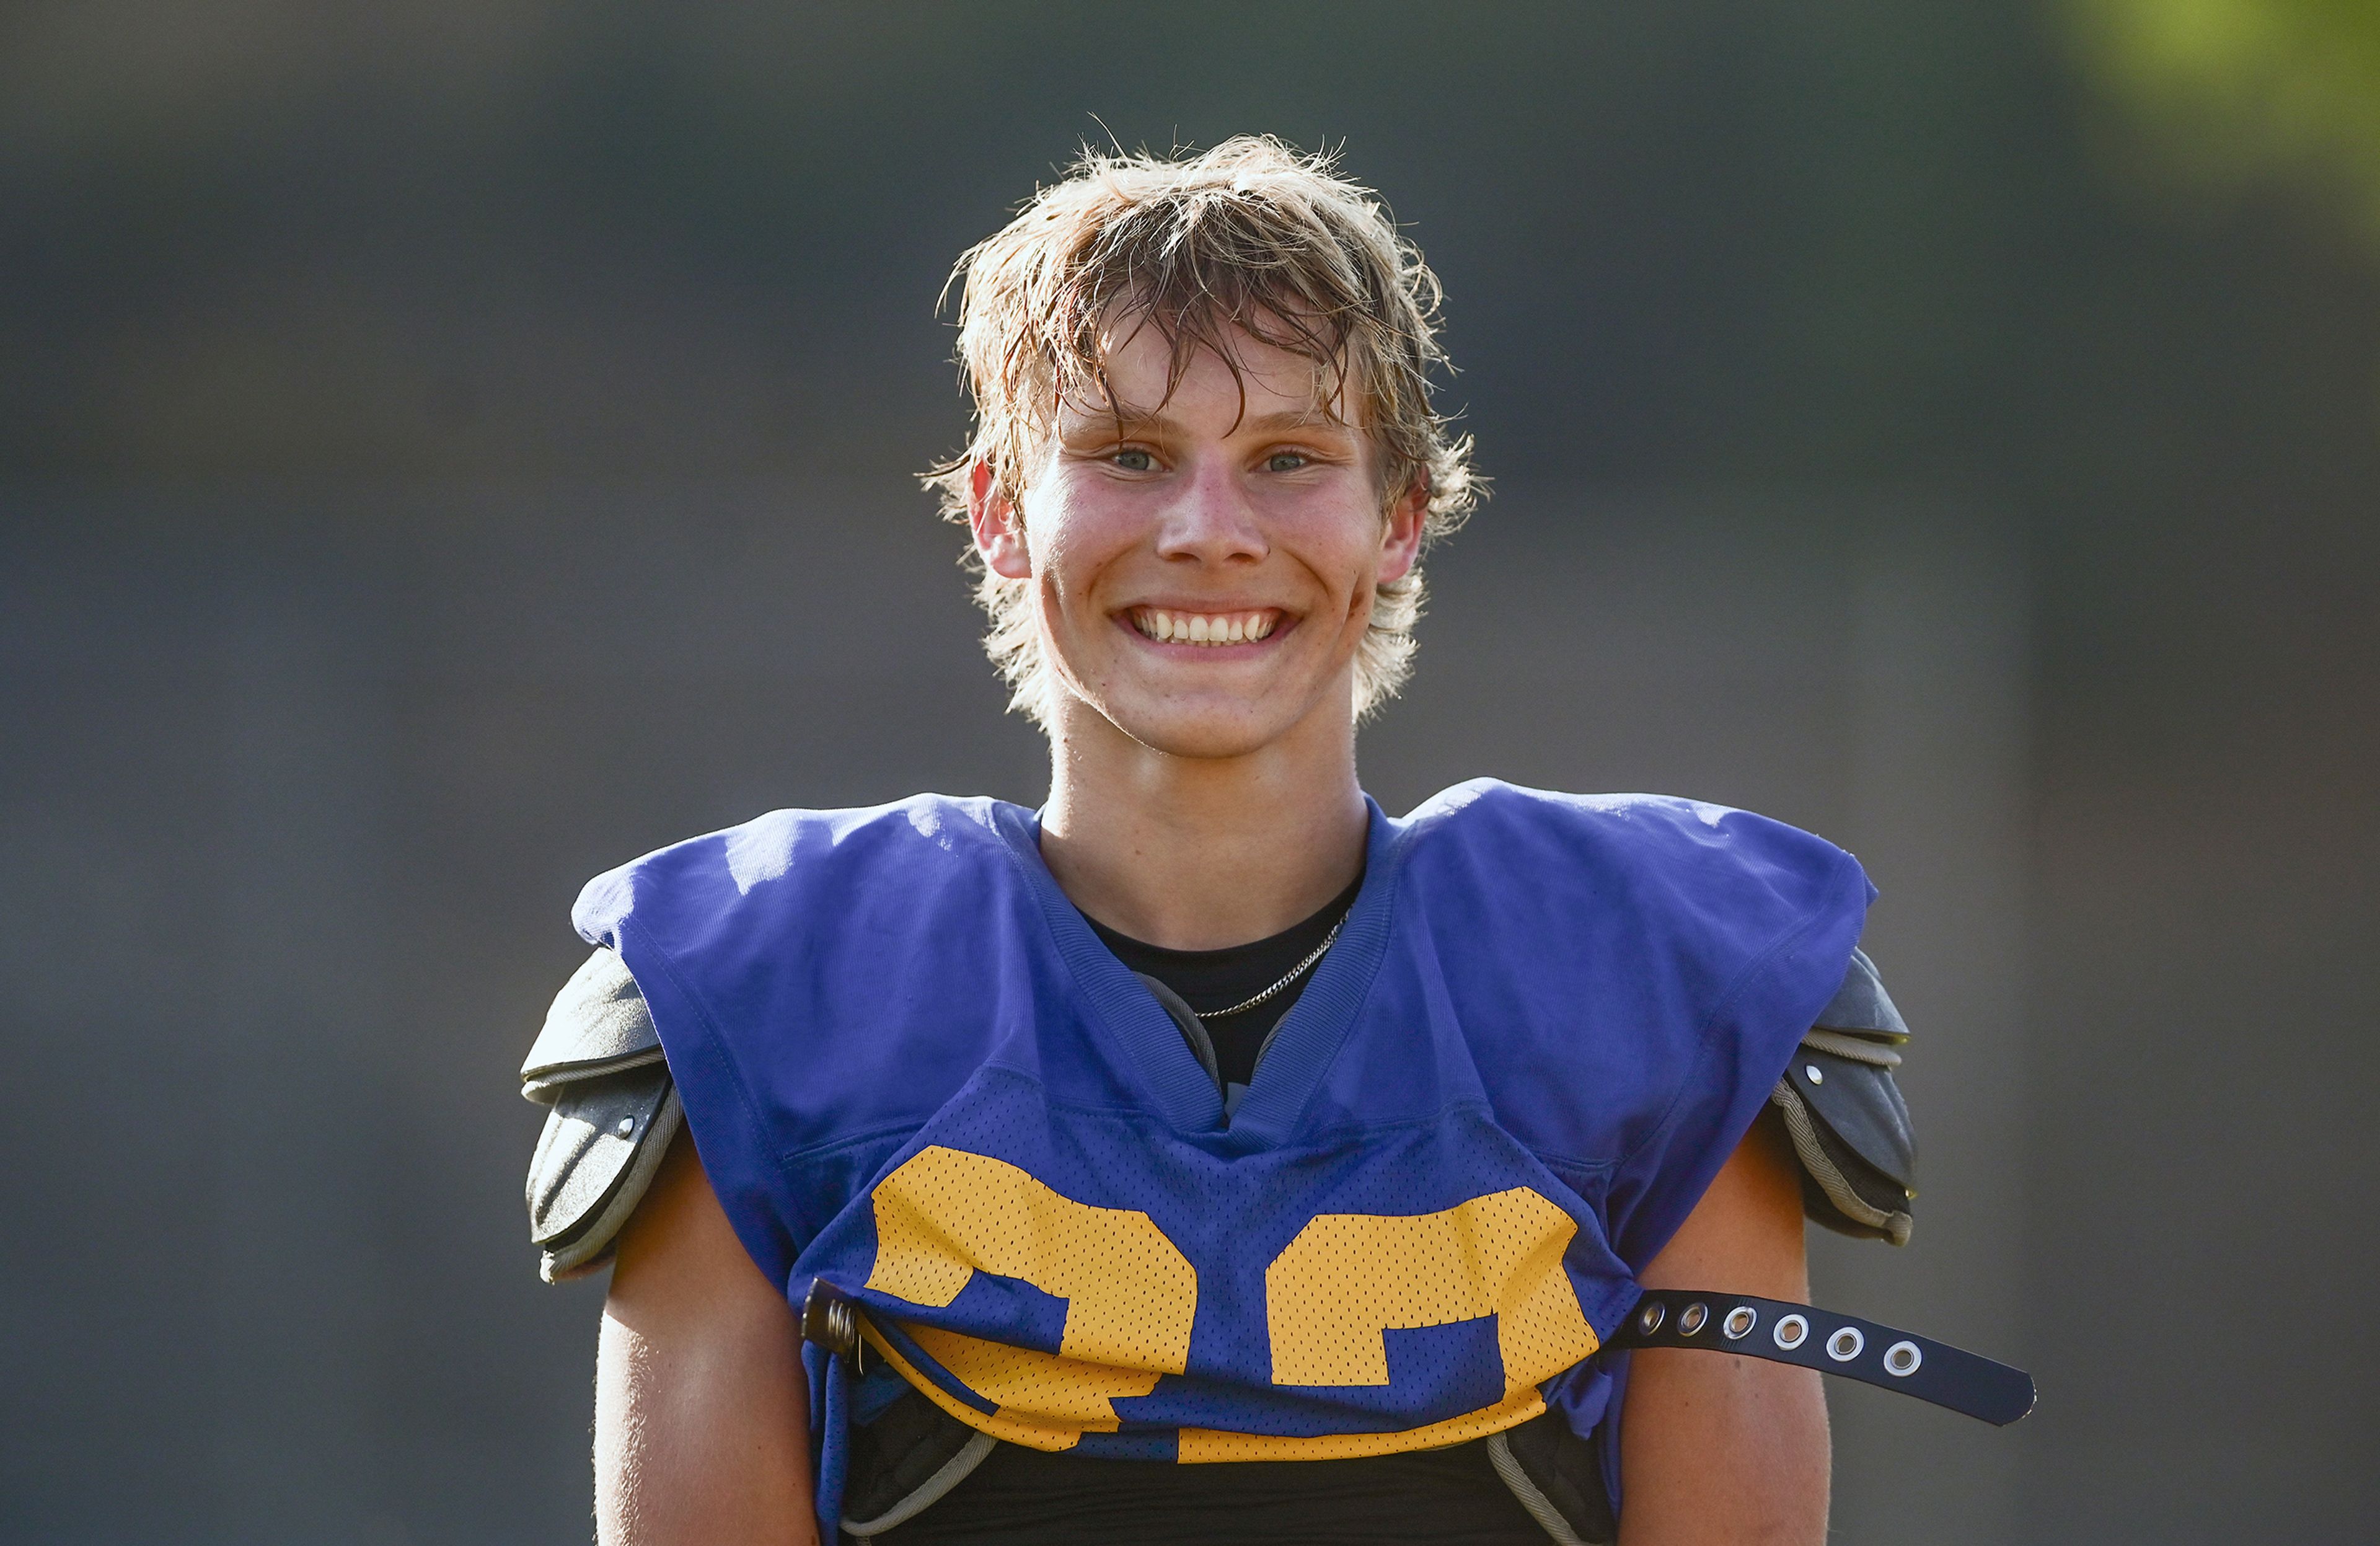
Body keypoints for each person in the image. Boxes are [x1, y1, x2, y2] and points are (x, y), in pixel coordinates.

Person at [520, 137, 1984, 1546]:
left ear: (1398, 522)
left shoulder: (1649, 985)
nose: (1210, 529)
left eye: (1288, 457)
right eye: (1133, 452)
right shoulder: (761, 997)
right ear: (1001, 515)